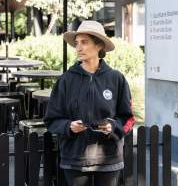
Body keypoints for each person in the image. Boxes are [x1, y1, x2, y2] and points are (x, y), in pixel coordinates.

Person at [44, 20, 135, 186]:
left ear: (99, 45)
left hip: (109, 159)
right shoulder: (65, 80)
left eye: (84, 42)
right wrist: (68, 126)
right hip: (74, 160)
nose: (78, 48)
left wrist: (113, 126)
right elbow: (51, 120)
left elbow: (128, 119)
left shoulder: (117, 79)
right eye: (77, 43)